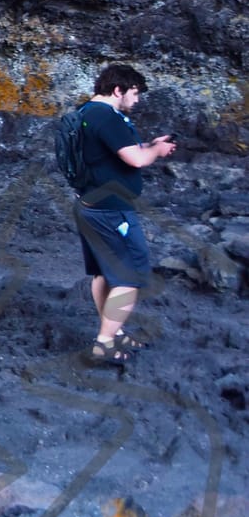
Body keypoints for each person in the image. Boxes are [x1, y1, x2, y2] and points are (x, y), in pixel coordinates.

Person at [73, 63, 175, 366]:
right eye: (134, 93)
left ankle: (112, 331)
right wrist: (155, 153)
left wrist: (149, 145)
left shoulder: (85, 113)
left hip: (88, 203)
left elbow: (114, 152)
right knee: (129, 275)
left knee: (105, 273)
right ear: (118, 90)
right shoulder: (108, 117)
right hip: (111, 211)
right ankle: (104, 342)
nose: (137, 100)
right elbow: (135, 159)